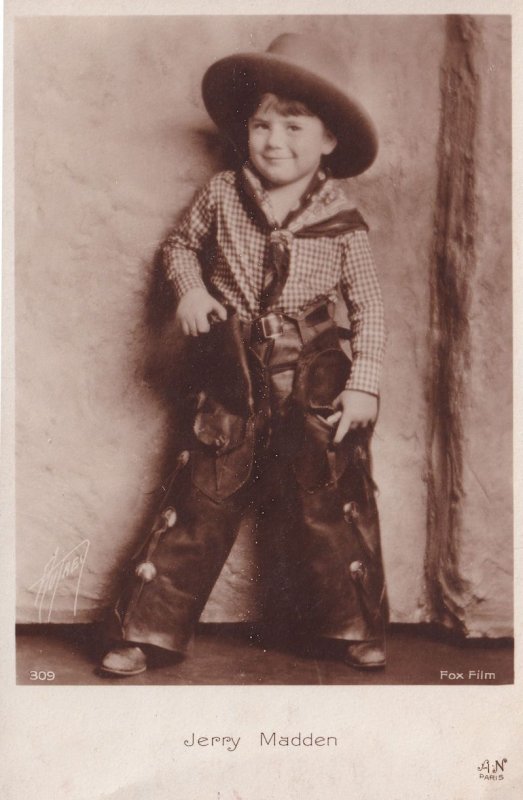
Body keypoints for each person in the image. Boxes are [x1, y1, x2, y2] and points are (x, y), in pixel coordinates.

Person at [101, 32, 388, 677]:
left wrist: (363, 384)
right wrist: (194, 290)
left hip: (315, 372)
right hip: (233, 369)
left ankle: (353, 627)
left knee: (328, 498)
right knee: (202, 491)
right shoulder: (223, 194)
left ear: (329, 141)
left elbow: (368, 309)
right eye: (262, 124)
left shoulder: (344, 221)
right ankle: (145, 631)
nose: (274, 141)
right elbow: (178, 247)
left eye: (294, 126)